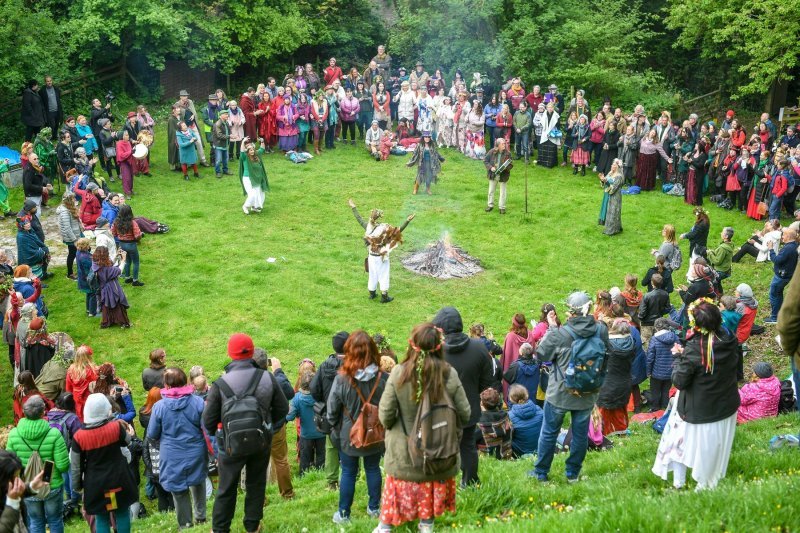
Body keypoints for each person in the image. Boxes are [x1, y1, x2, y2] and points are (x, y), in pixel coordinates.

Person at [376, 322, 470, 531]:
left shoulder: (399, 373)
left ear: (412, 346)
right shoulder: (449, 374)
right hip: (439, 453)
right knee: (428, 489)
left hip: (404, 455)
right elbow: (465, 413)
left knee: (396, 494)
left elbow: (385, 415)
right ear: (439, 347)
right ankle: (426, 524)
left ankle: (385, 527)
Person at [203, 333, 289, 533]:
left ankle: (220, 529)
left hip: (230, 447)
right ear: (251, 351)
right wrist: (268, 431)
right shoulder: (267, 378)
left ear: (230, 353)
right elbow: (283, 410)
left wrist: (223, 437)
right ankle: (253, 526)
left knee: (226, 488)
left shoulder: (219, 385)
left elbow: (207, 422)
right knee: (256, 484)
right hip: (260, 443)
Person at [654, 300, 739, 490]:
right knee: (705, 449)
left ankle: (697, 486)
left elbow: (680, 381)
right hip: (726, 403)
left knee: (677, 440)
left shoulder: (695, 348)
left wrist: (678, 358)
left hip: (702, 410)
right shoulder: (729, 337)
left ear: (696, 324)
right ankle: (696, 482)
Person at [533, 291, 611, 482]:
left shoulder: (560, 334)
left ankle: (541, 473)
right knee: (580, 434)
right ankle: (572, 474)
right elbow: (606, 355)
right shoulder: (601, 330)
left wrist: (551, 329)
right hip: (588, 390)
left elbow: (541, 355)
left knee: (549, 432)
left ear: (570, 312)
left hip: (560, 391)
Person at [326, 331, 386, 525]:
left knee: (349, 472)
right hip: (375, 432)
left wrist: (335, 428)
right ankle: (375, 508)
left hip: (348, 433)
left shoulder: (342, 379)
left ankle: (344, 514)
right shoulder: (382, 377)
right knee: (373, 468)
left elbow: (332, 410)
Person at [432, 306, 494, 487]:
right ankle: (469, 482)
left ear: (441, 329)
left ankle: (443, 485)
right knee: (468, 446)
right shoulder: (479, 347)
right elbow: (486, 382)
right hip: (469, 408)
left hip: (442, 411)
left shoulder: (435, 352)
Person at [147, 367, 207, 529]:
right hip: (196, 451)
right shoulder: (198, 402)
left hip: (171, 455)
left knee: (179, 491)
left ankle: (186, 525)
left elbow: (152, 434)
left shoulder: (159, 407)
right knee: (198, 482)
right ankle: (201, 517)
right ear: (185, 382)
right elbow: (206, 428)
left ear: (166, 385)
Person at [70, 393, 138, 533]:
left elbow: (76, 466)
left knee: (101, 516)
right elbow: (127, 441)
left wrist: (77, 486)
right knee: (122, 512)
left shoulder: (79, 437)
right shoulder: (115, 427)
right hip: (118, 477)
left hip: (96, 483)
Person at [6, 396, 69, 533]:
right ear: (43, 412)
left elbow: (9, 466)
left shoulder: (14, 434)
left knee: (35, 521)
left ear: (24, 412)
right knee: (55, 520)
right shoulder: (54, 434)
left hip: (27, 485)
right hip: (52, 485)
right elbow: (63, 466)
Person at [251, 348, 295, 501]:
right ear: (266, 364)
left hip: (255, 430)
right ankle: (288, 494)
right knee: (281, 460)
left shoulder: (246, 381)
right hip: (275, 427)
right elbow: (289, 394)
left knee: (256, 466)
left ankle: (260, 500)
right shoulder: (273, 378)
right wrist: (278, 371)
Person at [349, 199, 414, 303]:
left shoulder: (369, 228)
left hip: (371, 256)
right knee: (383, 274)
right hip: (382, 257)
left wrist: (353, 207)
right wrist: (407, 220)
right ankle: (384, 297)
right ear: (378, 218)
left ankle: (372, 294)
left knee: (373, 274)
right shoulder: (384, 229)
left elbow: (359, 219)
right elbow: (398, 231)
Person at [310, 331, 350, 490]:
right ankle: (355, 473)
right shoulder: (354, 365)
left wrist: (324, 402)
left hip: (330, 413)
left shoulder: (324, 365)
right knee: (352, 442)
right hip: (350, 412)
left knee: (331, 446)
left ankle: (332, 482)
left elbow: (314, 388)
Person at [596, 319, 635, 436]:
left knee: (603, 412)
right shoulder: (632, 342)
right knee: (619, 410)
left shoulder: (607, 344)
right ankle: (621, 433)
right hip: (624, 382)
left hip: (607, 383)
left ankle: (600, 436)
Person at [286, 371, 325, 475]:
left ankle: (304, 476)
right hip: (321, 432)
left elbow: (289, 417)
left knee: (305, 458)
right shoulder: (322, 395)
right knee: (321, 455)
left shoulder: (296, 398)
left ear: (301, 384)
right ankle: (321, 474)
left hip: (306, 434)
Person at [764, 227, 798, 324]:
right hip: (787, 275)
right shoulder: (795, 245)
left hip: (781, 277)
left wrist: (771, 249)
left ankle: (775, 318)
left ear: (788, 236)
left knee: (774, 295)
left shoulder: (788, 248)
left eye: (783, 235)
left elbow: (776, 260)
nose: (782, 237)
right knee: (778, 294)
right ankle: (780, 314)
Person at [92, 246, 131, 328]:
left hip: (103, 287)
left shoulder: (96, 263)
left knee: (106, 305)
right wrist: (123, 259)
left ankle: (107, 322)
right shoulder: (105, 268)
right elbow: (118, 271)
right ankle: (123, 322)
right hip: (112, 288)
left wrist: (116, 256)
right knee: (117, 304)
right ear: (105, 256)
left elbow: (109, 265)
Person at [500, 313, 537, 395]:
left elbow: (506, 358)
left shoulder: (510, 337)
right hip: (530, 371)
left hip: (516, 373)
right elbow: (535, 352)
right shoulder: (530, 334)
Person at [111, 204, 143, 286]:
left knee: (126, 261)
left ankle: (127, 278)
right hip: (131, 245)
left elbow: (113, 233)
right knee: (136, 262)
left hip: (122, 244)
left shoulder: (116, 222)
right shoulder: (132, 222)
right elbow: (137, 235)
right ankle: (135, 281)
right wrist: (139, 237)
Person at [507, 384, 543, 457]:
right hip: (540, 448)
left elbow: (508, 436)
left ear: (511, 399)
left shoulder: (509, 416)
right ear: (527, 395)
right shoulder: (539, 409)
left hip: (520, 451)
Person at [238, 138, 270, 215]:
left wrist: (262, 141)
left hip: (256, 178)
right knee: (252, 194)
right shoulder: (244, 157)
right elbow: (242, 151)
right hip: (247, 178)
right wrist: (243, 142)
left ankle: (254, 207)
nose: (252, 151)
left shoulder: (257, 154)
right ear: (247, 151)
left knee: (260, 193)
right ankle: (245, 206)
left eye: (253, 150)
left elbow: (262, 148)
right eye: (250, 150)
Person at [66, 345, 96, 421]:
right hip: (89, 400)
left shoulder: (71, 370)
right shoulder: (92, 370)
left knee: (79, 419)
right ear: (88, 357)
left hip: (76, 400)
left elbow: (68, 388)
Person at [484, 137, 513, 214]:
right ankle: (490, 205)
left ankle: (502, 207)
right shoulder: (492, 152)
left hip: (503, 176)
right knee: (491, 191)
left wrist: (506, 167)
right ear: (498, 145)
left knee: (503, 192)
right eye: (503, 144)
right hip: (493, 175)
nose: (505, 145)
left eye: (505, 144)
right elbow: (485, 161)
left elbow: (511, 165)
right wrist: (491, 167)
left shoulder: (508, 153)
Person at [598, 158, 624, 236]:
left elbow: (614, 188)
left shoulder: (619, 176)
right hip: (607, 194)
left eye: (614, 165)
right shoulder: (610, 173)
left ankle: (611, 230)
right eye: (612, 164)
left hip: (614, 196)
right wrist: (602, 179)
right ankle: (616, 227)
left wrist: (605, 181)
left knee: (613, 212)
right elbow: (605, 182)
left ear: (617, 167)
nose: (612, 165)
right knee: (608, 211)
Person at [537, 102, 561, 168]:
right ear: (547, 108)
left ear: (553, 108)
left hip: (552, 133)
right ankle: (543, 162)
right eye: (548, 107)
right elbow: (541, 122)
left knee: (552, 148)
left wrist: (553, 129)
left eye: (551, 107)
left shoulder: (556, 115)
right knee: (544, 147)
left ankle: (550, 163)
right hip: (545, 132)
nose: (550, 109)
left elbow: (558, 125)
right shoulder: (544, 114)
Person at [212, 108, 232, 178]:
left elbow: (229, 131)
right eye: (225, 114)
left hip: (225, 144)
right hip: (219, 145)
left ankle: (225, 170)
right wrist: (229, 136)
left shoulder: (226, 122)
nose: (227, 115)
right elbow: (219, 135)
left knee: (225, 158)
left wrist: (231, 135)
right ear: (220, 116)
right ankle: (218, 172)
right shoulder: (217, 124)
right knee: (218, 159)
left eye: (227, 114)